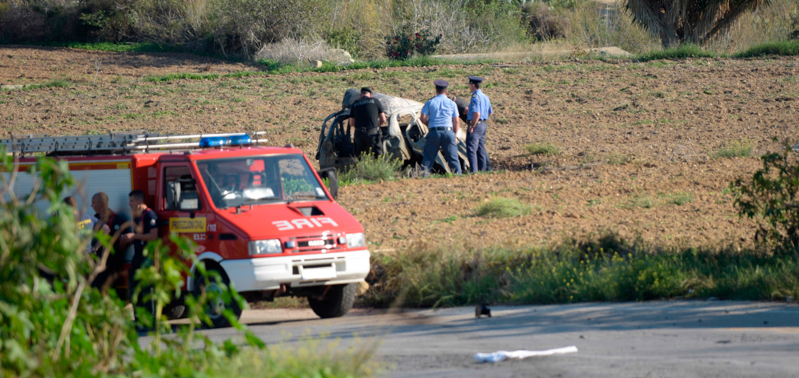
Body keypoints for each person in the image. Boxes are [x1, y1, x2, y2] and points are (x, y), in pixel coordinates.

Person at [121, 190, 158, 316]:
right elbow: (139, 237)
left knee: (146, 289)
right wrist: (129, 239)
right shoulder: (137, 216)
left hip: (147, 258)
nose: (129, 204)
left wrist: (134, 236)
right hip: (137, 256)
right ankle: (138, 318)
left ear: (139, 201)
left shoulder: (150, 215)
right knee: (134, 288)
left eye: (131, 201)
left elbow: (153, 236)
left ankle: (148, 319)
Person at [90, 192, 132, 292]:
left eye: (93, 202)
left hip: (110, 264)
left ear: (101, 204)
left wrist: (115, 258)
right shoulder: (94, 218)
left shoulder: (116, 219)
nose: (91, 205)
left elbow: (124, 242)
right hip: (96, 263)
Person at [420, 80, 461, 175]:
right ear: (446, 91)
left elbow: (422, 117)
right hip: (448, 132)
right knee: (453, 159)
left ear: (436, 90)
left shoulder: (430, 102)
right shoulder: (452, 103)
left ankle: (423, 178)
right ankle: (459, 178)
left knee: (428, 158)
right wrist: (454, 136)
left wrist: (429, 124)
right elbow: (456, 121)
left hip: (434, 132)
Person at [465, 76, 493, 173]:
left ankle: (474, 172)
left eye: (469, 85)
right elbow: (489, 112)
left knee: (471, 149)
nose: (469, 87)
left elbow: (477, 113)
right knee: (481, 149)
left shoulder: (475, 97)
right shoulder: (485, 97)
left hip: (476, 125)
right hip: (483, 125)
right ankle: (483, 171)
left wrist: (472, 126)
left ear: (473, 85)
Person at [349, 87, 387, 157]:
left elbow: (351, 123)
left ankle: (361, 167)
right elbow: (383, 119)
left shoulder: (355, 104)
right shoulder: (375, 101)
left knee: (360, 157)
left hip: (359, 134)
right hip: (372, 133)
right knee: (377, 156)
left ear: (361, 95)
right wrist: (377, 125)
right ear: (370, 95)